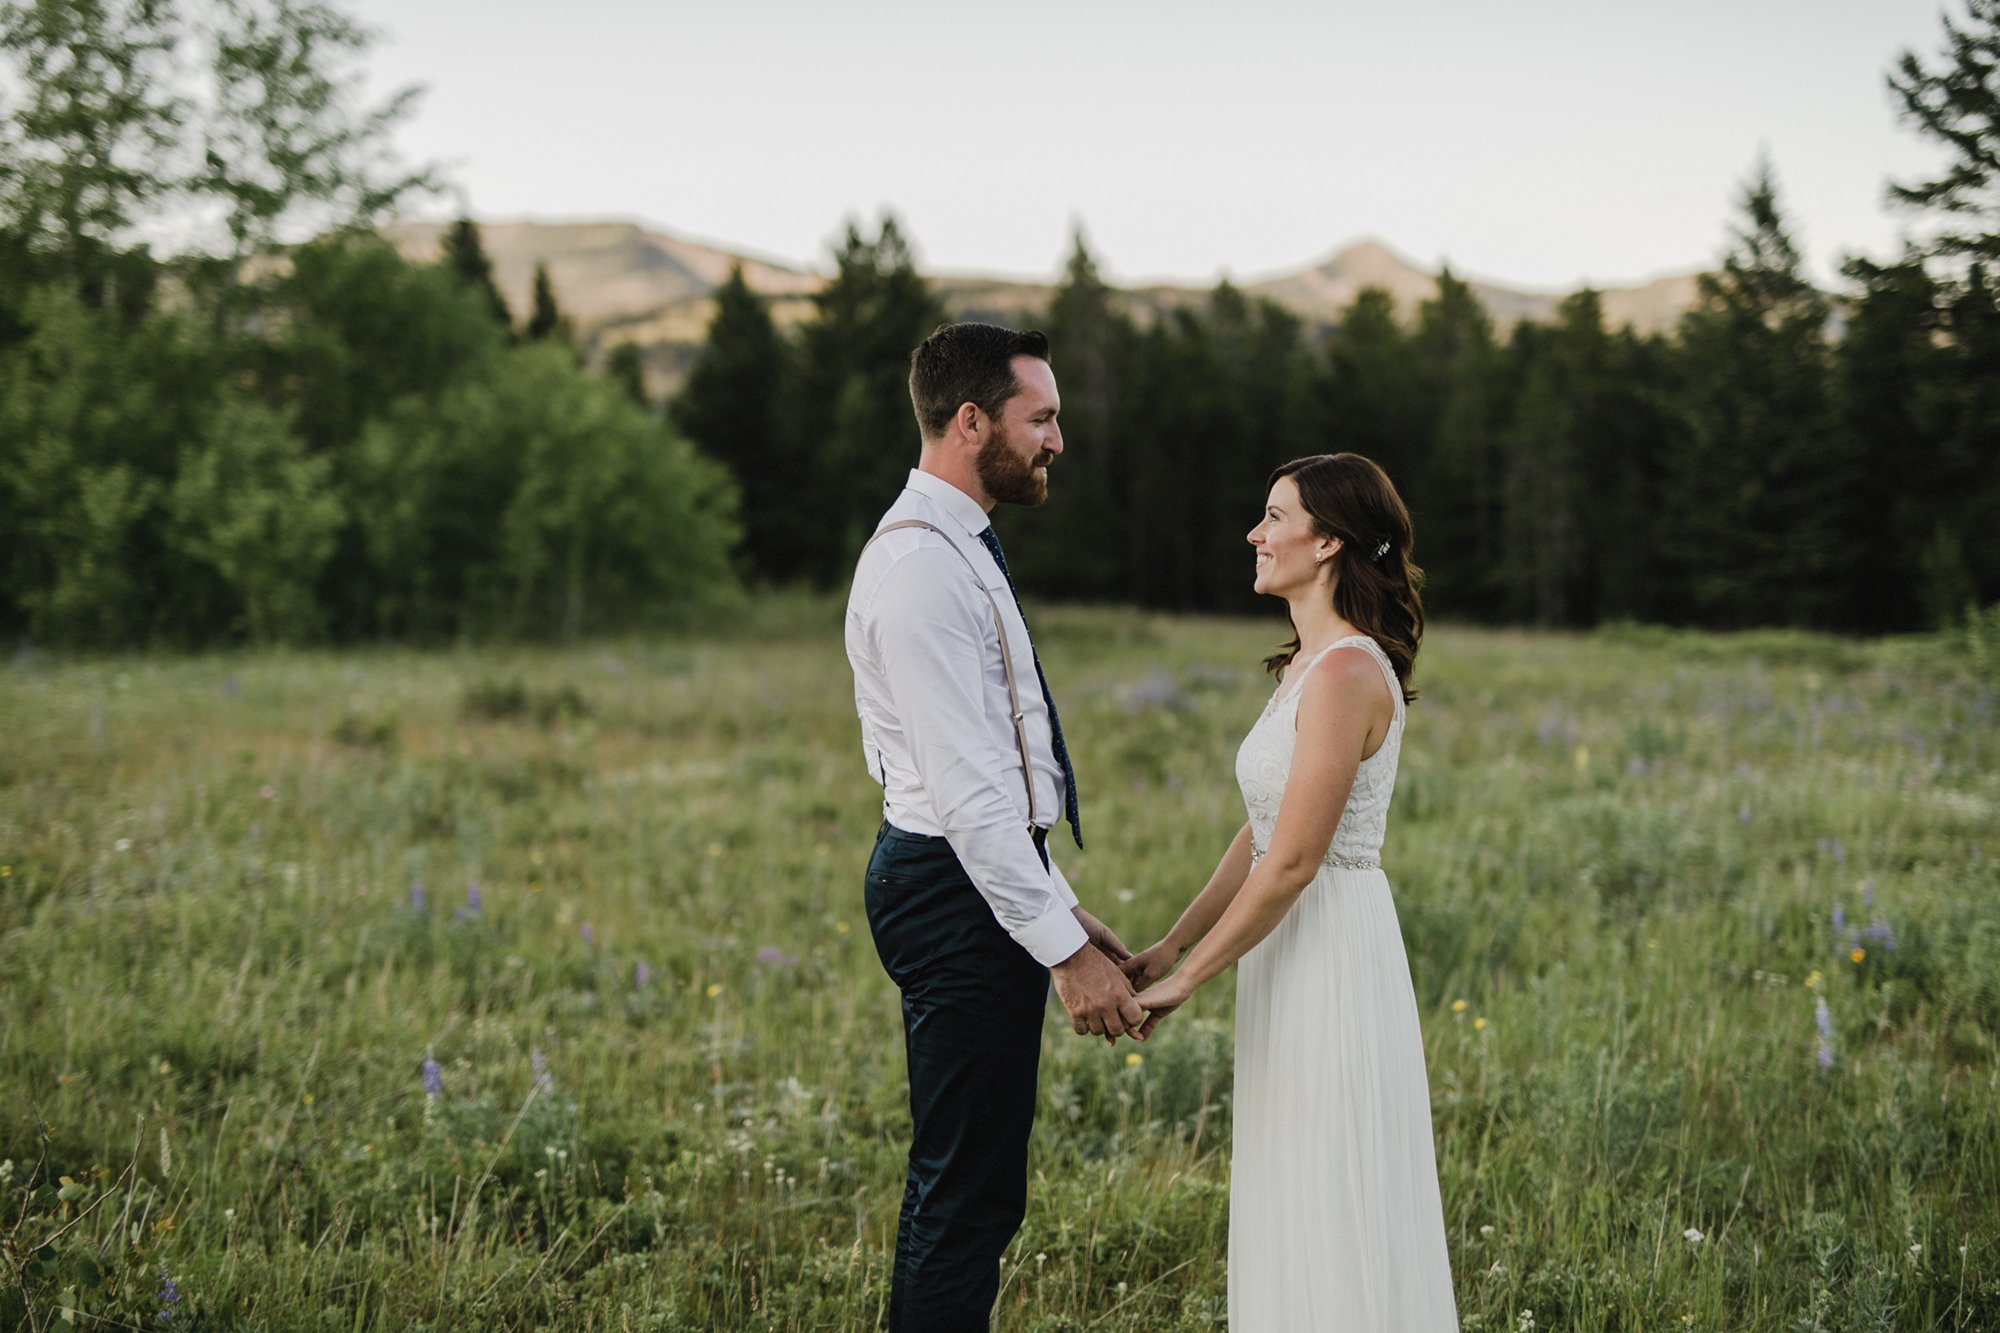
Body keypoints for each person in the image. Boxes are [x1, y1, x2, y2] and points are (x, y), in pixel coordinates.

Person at [844, 321, 1145, 1333]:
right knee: (965, 1192)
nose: (1057, 439)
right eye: (1042, 417)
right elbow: (970, 801)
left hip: (973, 881)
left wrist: (1058, 899)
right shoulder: (923, 570)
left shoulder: (956, 545)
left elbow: (996, 780)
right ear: (970, 421)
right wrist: (1063, 954)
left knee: (974, 1184)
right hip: (948, 887)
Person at [1124, 453, 1460, 1332]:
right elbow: (1262, 829)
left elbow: (1299, 858)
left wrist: (1189, 980)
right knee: (1289, 1169)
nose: (1255, 533)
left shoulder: (1349, 672)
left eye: (1274, 516)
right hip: (1285, 943)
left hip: (1332, 947)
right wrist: (1170, 940)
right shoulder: (1303, 669)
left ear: (1329, 541)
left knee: (1333, 1173)